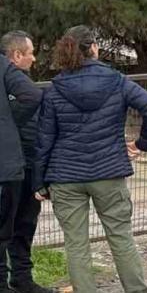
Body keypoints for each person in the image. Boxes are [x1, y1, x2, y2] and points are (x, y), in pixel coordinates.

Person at [35, 26, 147, 293]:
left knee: (76, 242)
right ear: (93, 48)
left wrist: (39, 181)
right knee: (120, 235)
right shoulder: (117, 81)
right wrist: (142, 144)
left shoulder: (55, 89)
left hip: (65, 176)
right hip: (108, 171)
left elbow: (44, 138)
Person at [0, 32, 52, 293]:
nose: (34, 58)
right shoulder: (8, 77)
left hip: (29, 164)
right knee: (4, 226)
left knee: (25, 224)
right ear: (17, 55)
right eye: (30, 53)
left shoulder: (19, 82)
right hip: (8, 166)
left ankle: (22, 277)